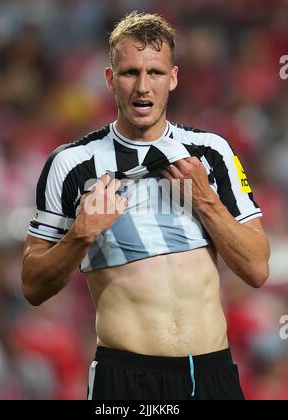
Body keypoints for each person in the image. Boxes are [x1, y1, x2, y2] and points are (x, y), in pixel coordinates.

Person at [22, 11, 270, 400]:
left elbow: (257, 268)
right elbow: (32, 285)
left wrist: (206, 201)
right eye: (129, 72)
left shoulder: (211, 151)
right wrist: (80, 236)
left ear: (172, 78)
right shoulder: (71, 164)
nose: (142, 87)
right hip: (126, 380)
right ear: (110, 79)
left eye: (154, 73)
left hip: (212, 374)